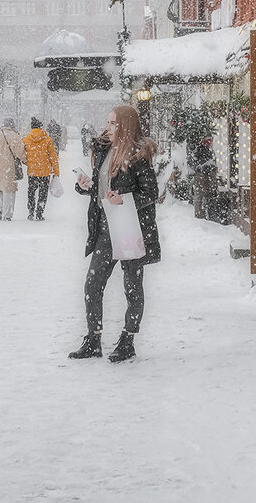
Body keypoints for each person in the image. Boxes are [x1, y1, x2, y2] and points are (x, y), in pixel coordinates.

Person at [69, 104, 161, 363]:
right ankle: (93, 338)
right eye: (108, 122)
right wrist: (86, 186)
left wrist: (124, 199)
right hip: (105, 228)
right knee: (93, 284)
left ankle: (128, 339)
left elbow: (151, 193)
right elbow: (102, 189)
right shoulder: (103, 150)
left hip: (130, 228)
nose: (107, 127)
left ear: (126, 126)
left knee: (132, 287)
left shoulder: (137, 156)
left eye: (113, 123)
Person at [0, 117, 27, 222]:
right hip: (9, 167)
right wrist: (26, 161)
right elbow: (21, 153)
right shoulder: (15, 136)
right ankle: (7, 214)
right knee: (9, 191)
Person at [22, 116, 60, 221]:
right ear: (41, 127)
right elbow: (53, 156)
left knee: (31, 192)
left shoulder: (26, 139)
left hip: (32, 171)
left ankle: (31, 211)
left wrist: (28, 163)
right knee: (43, 193)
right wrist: (56, 172)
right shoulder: (47, 139)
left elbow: (22, 155)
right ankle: (39, 212)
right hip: (45, 171)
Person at [191, 137, 217, 220]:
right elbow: (198, 164)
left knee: (201, 195)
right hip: (202, 176)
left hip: (205, 175)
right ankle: (201, 215)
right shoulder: (201, 150)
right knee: (201, 196)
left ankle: (203, 214)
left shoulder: (207, 150)